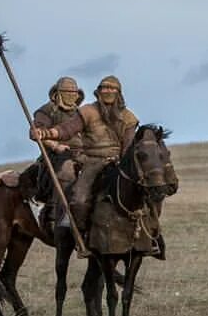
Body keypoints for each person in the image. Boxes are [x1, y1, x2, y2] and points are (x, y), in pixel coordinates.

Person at [30, 75, 139, 232]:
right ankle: (68, 223)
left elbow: (128, 145)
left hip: (116, 161)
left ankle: (150, 236)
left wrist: (124, 161)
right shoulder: (85, 111)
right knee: (77, 195)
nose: (108, 91)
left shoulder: (129, 117)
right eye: (104, 88)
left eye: (112, 88)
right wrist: (47, 135)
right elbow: (66, 129)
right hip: (88, 160)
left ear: (118, 92)